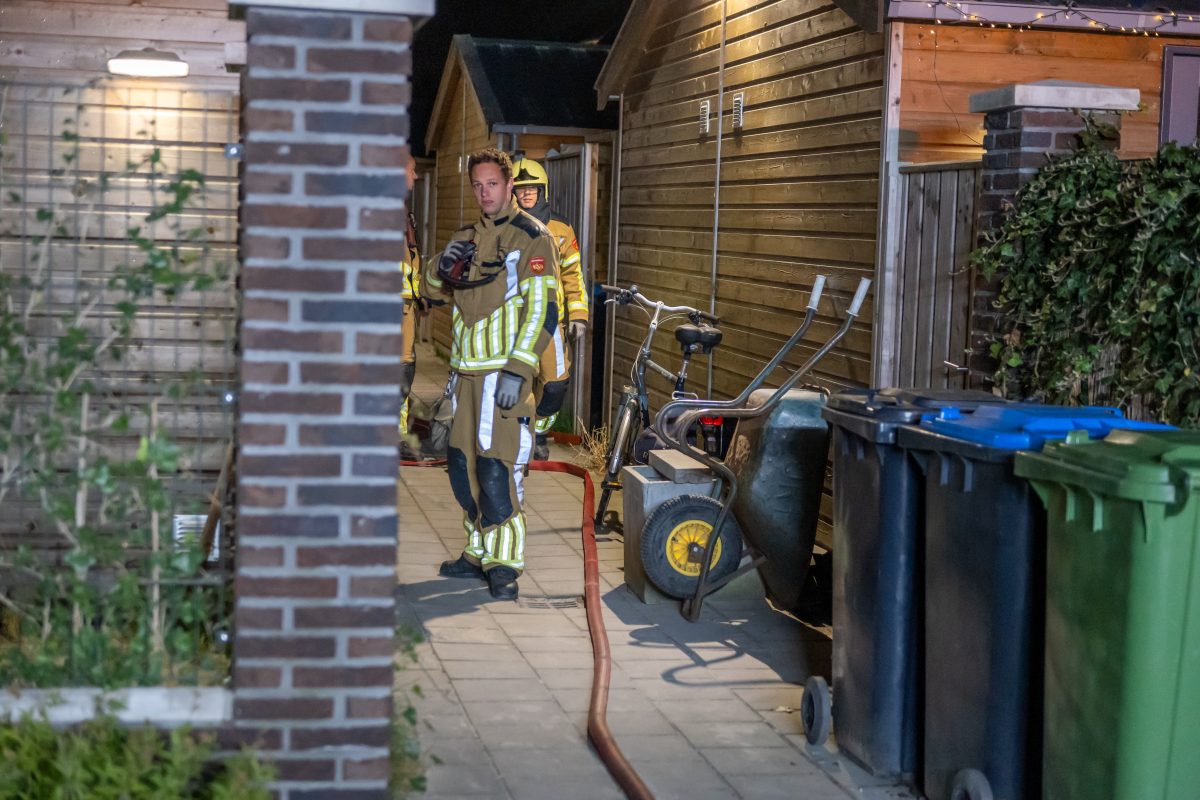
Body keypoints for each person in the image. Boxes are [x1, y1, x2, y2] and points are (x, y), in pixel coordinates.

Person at [421, 148, 558, 600]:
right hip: (464, 377)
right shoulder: (465, 236)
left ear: (509, 185)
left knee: (498, 472)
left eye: (492, 184)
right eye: (477, 185)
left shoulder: (532, 237)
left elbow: (542, 309)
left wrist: (520, 370)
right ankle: (477, 552)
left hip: (503, 378)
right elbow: (433, 293)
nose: (484, 193)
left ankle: (504, 563)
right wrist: (439, 267)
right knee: (463, 471)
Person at [511, 157, 589, 461]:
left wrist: (579, 315)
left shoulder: (561, 228)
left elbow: (573, 274)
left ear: (543, 190)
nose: (527, 193)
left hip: (549, 319)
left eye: (532, 188)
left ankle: (539, 431)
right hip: (513, 319)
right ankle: (516, 438)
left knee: (555, 385)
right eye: (521, 188)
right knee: (514, 382)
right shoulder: (502, 224)